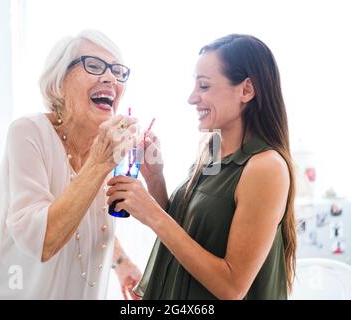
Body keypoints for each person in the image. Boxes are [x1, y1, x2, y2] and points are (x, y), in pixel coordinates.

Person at [106, 34, 297, 299]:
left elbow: (232, 287)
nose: (191, 98)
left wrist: (151, 213)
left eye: (204, 86)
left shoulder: (266, 168)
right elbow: (189, 233)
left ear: (246, 90)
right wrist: (156, 179)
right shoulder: (212, 147)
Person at [0, 29, 142, 299]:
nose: (110, 78)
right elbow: (42, 241)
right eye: (94, 66)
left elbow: (88, 218)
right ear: (60, 83)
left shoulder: (104, 146)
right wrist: (99, 162)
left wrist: (121, 263)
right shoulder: (28, 132)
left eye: (118, 72)